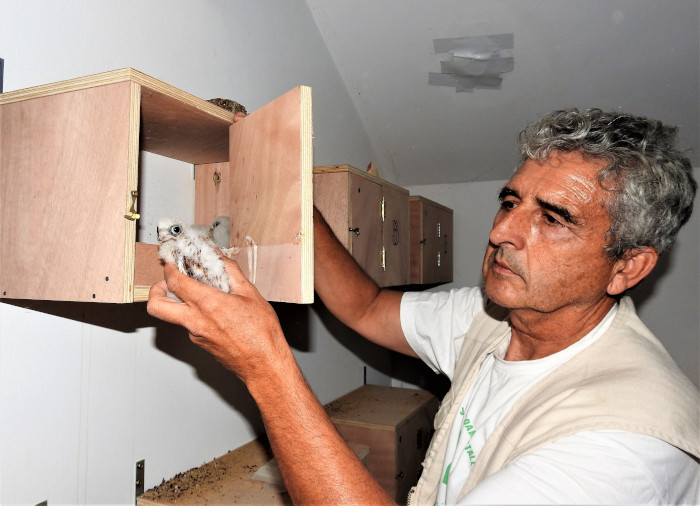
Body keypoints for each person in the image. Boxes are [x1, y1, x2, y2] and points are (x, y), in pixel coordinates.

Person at [147, 108, 699, 504]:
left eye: (552, 219)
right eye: (510, 202)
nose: (503, 230)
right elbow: (365, 307)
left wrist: (265, 365)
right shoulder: (491, 320)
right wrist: (291, 195)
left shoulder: (622, 448)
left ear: (628, 266)